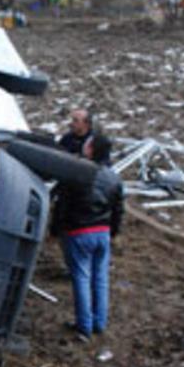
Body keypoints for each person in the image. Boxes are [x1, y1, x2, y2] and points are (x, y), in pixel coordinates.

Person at [54, 133, 124, 342]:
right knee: (100, 278)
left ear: (91, 149)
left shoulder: (79, 173)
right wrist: (113, 232)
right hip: (102, 232)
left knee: (81, 278)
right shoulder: (114, 177)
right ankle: (99, 323)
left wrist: (55, 230)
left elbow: (62, 204)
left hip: (79, 232)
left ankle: (84, 326)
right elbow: (118, 208)